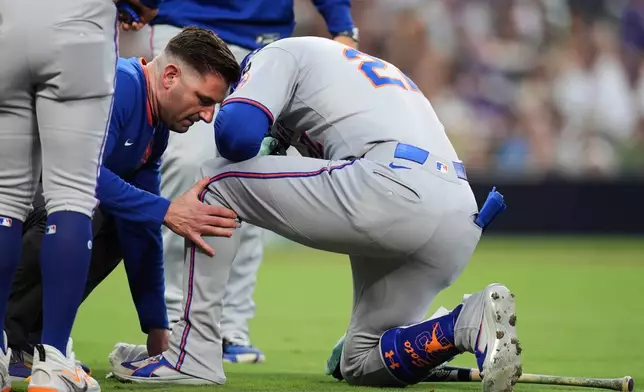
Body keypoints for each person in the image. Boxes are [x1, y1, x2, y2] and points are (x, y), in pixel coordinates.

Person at [108, 36, 521, 392]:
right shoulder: (355, 72)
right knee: (359, 362)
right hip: (458, 213)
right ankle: (462, 324)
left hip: (392, 184)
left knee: (215, 184)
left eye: (217, 99)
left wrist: (249, 121)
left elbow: (237, 135)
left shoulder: (277, 54)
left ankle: (191, 354)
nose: (210, 110)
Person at [117, 0, 359, 363]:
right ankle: (174, 319)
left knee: (252, 177)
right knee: (184, 168)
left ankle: (230, 325)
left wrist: (342, 24)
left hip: (264, 39)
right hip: (186, 26)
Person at [4, 26, 242, 387]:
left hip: (26, 207)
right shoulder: (117, 85)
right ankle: (15, 340)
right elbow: (79, 171)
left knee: (124, 216)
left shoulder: (155, 127)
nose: (208, 116)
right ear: (171, 76)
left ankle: (28, 342)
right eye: (204, 99)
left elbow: (142, 231)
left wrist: (156, 327)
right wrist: (166, 210)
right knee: (81, 205)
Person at [0, 0, 119, 391]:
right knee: (71, 194)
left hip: (8, 23)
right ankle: (52, 362)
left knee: (3, 199)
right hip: (78, 25)